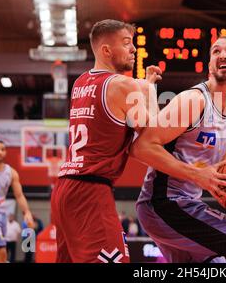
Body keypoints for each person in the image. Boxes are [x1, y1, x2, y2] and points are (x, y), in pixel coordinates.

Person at [131, 36, 226, 263]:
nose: (223, 54)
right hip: (162, 204)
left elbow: (218, 169)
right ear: (209, 66)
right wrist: (197, 175)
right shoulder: (193, 100)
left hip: (190, 204)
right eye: (216, 51)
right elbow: (141, 147)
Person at [51, 19, 162, 263]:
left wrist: (143, 87)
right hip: (90, 190)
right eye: (126, 43)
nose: (133, 49)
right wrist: (150, 91)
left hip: (64, 189)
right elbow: (153, 133)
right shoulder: (123, 84)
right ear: (106, 50)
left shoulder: (80, 83)